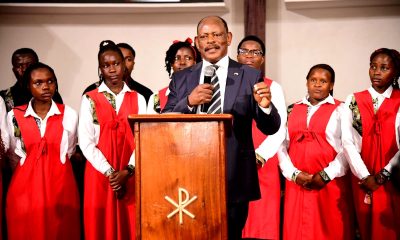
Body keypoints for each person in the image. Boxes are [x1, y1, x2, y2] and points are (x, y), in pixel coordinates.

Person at [163, 16, 281, 240]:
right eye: (205, 36)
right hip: (190, 174)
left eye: (217, 35)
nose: (211, 41)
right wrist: (188, 102)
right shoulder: (182, 79)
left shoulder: (249, 75)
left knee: (231, 235)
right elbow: (165, 121)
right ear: (197, 42)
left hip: (234, 175)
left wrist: (265, 108)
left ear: (228, 38)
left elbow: (271, 127)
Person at [78, 40, 147, 240]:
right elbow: (86, 141)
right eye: (106, 65)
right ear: (100, 69)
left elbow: (144, 138)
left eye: (116, 63)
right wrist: (110, 173)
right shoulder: (90, 98)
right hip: (100, 174)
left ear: (124, 65)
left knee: (131, 223)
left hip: (131, 172)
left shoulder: (138, 98)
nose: (112, 69)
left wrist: (128, 171)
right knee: (101, 226)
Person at [278, 64, 354, 240]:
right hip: (297, 183)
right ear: (307, 83)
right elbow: (281, 145)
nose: (317, 85)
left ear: (332, 85)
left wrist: (326, 174)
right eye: (313, 80)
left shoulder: (342, 109)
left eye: (323, 81)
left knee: (330, 230)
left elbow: (348, 147)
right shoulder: (291, 109)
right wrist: (293, 173)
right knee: (297, 231)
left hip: (329, 183)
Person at [5, 62, 80, 239]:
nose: (46, 86)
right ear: (27, 86)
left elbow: (68, 151)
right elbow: (14, 154)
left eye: (50, 81)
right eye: (38, 83)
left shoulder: (69, 114)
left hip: (61, 186)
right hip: (24, 189)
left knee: (61, 231)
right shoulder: (14, 116)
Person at [342, 48, 400, 240]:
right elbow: (347, 141)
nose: (376, 72)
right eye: (373, 66)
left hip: (394, 176)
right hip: (362, 175)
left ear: (395, 72)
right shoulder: (354, 100)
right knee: (365, 227)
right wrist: (366, 176)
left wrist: (382, 176)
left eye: (384, 68)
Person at [237, 35, 286, 240]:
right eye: (244, 51)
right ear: (236, 55)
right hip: (233, 165)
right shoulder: (227, 85)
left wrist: (259, 157)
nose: (249, 56)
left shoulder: (273, 87)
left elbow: (280, 127)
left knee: (263, 224)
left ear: (262, 59)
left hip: (262, 166)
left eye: (255, 52)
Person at [82, 42, 153, 103]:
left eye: (128, 59)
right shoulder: (91, 92)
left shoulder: (145, 93)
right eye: (118, 60)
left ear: (133, 64)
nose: (124, 64)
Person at [148, 37, 201, 113]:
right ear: (171, 63)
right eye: (176, 58)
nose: (182, 62)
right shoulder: (157, 97)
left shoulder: (202, 91)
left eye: (188, 58)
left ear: (195, 62)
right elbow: (151, 124)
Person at [0, 48, 62, 112]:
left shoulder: (50, 94)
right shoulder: (3, 97)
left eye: (29, 65)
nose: (24, 69)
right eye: (19, 66)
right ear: (13, 70)